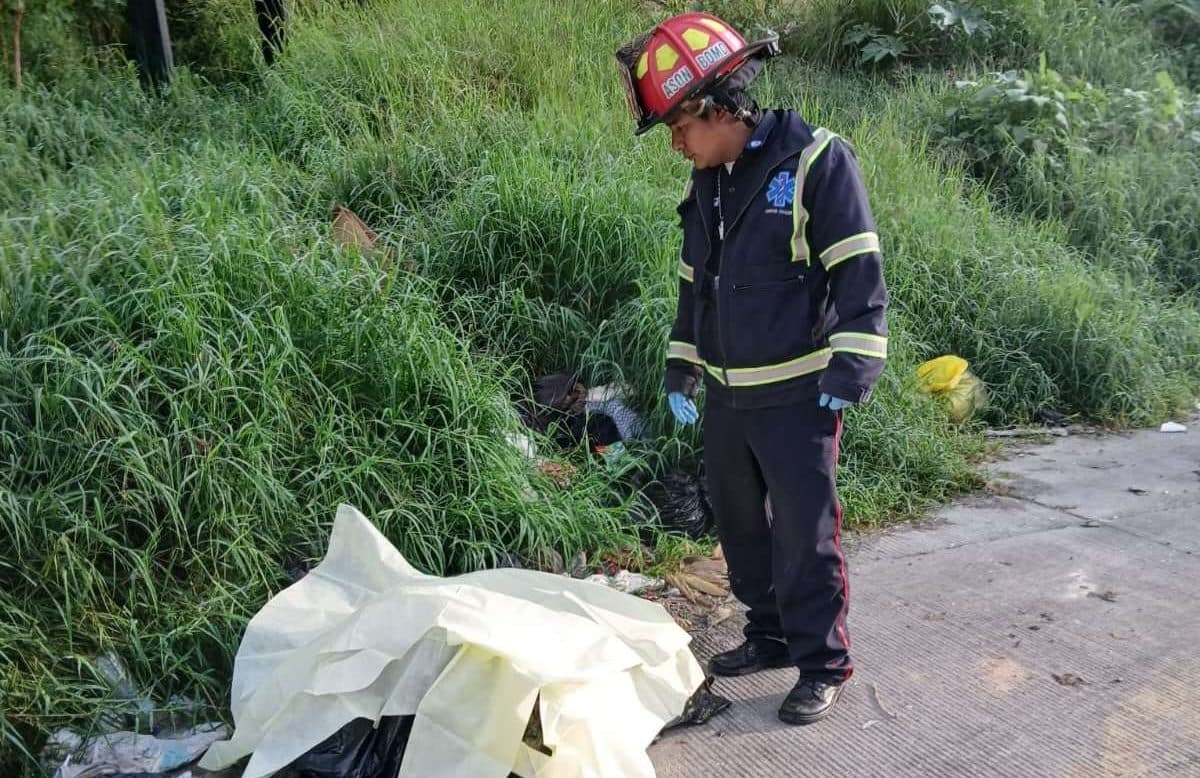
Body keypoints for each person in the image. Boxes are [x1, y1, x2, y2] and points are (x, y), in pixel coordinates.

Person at [616, 12, 889, 725]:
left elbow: (859, 274)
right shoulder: (709, 183)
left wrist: (848, 376)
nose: (677, 144)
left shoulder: (815, 162)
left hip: (802, 398)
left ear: (717, 107)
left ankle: (822, 662)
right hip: (730, 402)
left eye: (680, 127)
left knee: (806, 534)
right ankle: (767, 634)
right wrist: (682, 367)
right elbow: (692, 285)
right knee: (740, 527)